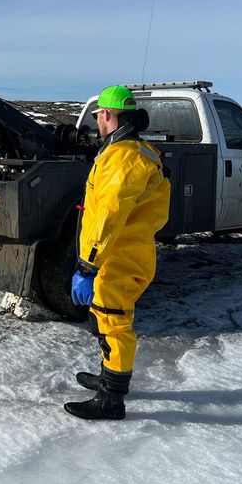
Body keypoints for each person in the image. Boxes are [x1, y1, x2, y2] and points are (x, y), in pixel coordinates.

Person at [64, 85, 171, 420]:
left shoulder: (123, 159)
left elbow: (108, 213)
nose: (97, 122)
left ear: (108, 114)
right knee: (103, 318)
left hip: (120, 255)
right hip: (117, 252)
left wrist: (86, 265)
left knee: (114, 324)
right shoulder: (130, 151)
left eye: (98, 116)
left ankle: (112, 400)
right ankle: (108, 376)